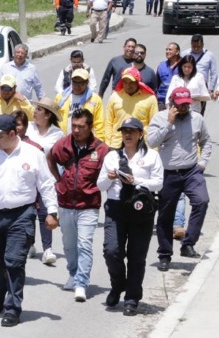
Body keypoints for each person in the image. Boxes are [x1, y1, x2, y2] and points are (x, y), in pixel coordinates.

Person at [0, 114, 59, 328]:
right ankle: (0, 291)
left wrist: (52, 212)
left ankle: (13, 308)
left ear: (13, 134)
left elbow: (46, 185)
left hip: (22, 214)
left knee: (14, 262)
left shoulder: (33, 154)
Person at [98, 118, 163, 316]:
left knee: (137, 256)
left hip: (140, 209)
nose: (128, 135)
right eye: (124, 131)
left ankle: (132, 297)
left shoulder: (151, 156)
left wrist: (137, 181)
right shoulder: (112, 157)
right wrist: (108, 178)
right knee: (112, 251)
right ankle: (117, 286)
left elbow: (158, 183)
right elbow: (100, 185)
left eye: (132, 131)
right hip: (116, 208)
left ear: (140, 134)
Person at [147, 88, 212, 271]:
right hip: (168, 173)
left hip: (192, 171)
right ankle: (165, 255)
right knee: (166, 215)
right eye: (180, 104)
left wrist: (203, 162)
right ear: (172, 102)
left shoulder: (197, 118)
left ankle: (188, 244)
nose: (184, 107)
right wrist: (169, 123)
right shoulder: (160, 118)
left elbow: (205, 141)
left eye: (186, 104)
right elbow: (151, 142)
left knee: (202, 201)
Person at [48, 109, 110, 302]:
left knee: (84, 244)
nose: (76, 130)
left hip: (88, 205)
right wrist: (58, 179)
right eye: (73, 126)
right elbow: (50, 157)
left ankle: (81, 283)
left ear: (90, 127)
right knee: (68, 245)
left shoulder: (101, 150)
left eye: (81, 127)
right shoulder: (64, 144)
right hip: (65, 203)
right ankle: (73, 272)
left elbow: (109, 172)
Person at [26, 97, 64, 266]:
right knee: (28, 213)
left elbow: (58, 156)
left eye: (39, 110)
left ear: (48, 115)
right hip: (27, 176)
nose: (34, 112)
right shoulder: (28, 127)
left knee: (44, 213)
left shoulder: (57, 133)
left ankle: (47, 248)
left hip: (46, 178)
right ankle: (30, 244)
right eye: (35, 109)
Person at [105, 68, 158, 148]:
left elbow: (154, 125)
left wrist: (154, 148)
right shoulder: (114, 97)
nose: (128, 86)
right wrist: (107, 144)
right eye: (125, 82)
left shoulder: (150, 98)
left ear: (138, 82)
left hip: (141, 145)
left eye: (131, 82)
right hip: (117, 144)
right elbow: (108, 123)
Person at [55, 69, 105, 141]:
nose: (77, 86)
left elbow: (99, 125)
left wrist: (98, 144)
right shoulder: (60, 97)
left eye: (81, 83)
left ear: (87, 83)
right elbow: (54, 120)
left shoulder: (95, 99)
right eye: (75, 82)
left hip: (86, 142)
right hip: (64, 140)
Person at [182, 34, 218, 104]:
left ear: (203, 45)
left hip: (202, 86)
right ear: (191, 44)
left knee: (200, 110)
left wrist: (211, 89)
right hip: (186, 84)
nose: (196, 48)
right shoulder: (184, 54)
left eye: (198, 46)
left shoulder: (209, 55)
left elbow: (214, 73)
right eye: (194, 46)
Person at [156, 42, 182, 110]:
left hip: (178, 101)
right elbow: (157, 84)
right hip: (162, 101)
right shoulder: (161, 66)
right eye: (166, 50)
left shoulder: (183, 65)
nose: (167, 52)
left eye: (170, 50)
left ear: (177, 52)